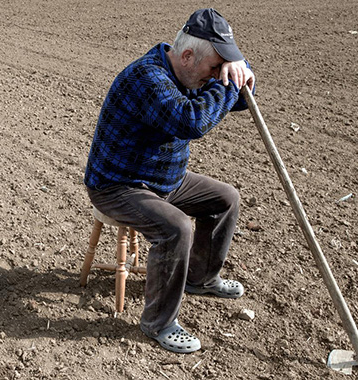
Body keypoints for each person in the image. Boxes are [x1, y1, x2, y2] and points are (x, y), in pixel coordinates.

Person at [83, 8, 255, 354]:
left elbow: (234, 102)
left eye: (222, 68)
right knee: (176, 227)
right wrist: (227, 83)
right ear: (188, 55)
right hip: (118, 185)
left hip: (162, 180)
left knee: (225, 198)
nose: (215, 77)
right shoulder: (147, 79)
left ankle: (200, 278)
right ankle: (158, 323)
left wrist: (240, 73)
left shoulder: (190, 72)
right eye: (214, 68)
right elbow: (192, 122)